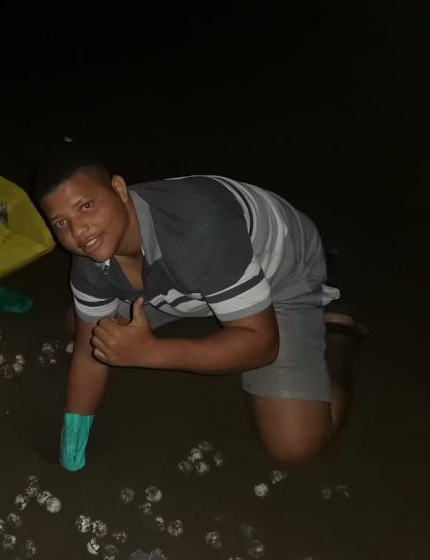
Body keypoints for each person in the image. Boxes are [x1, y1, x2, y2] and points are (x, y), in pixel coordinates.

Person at [32, 148, 365, 470]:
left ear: (119, 189)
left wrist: (149, 352)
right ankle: (215, 299)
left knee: (295, 445)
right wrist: (71, 449)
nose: (79, 231)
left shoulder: (199, 229)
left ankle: (338, 330)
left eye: (86, 206)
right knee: (88, 331)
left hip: (282, 272)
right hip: (192, 275)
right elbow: (87, 356)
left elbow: (263, 345)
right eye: (61, 222)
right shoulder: (89, 256)